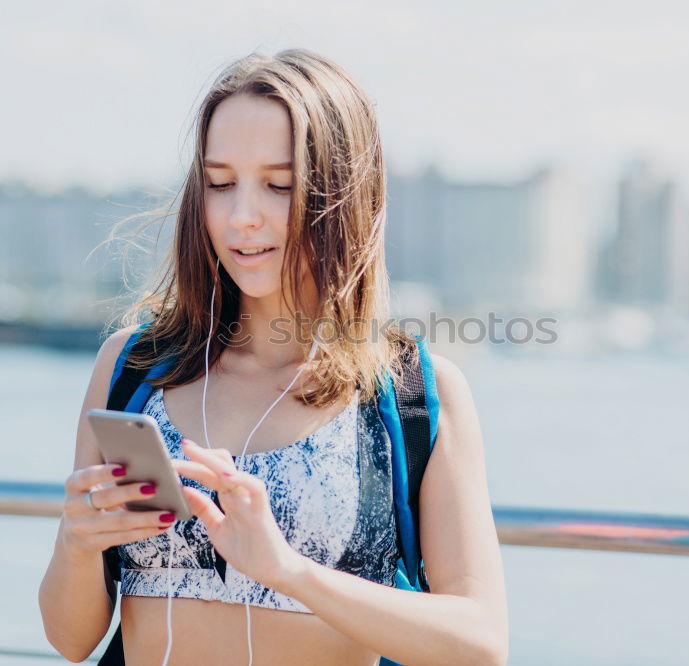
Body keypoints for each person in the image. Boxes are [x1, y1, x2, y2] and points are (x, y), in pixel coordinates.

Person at [38, 48, 508, 666]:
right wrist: (76, 545)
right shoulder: (132, 366)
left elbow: (479, 643)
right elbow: (70, 641)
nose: (242, 217)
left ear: (344, 194)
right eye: (220, 183)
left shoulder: (414, 390)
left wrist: (287, 570)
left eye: (280, 185)